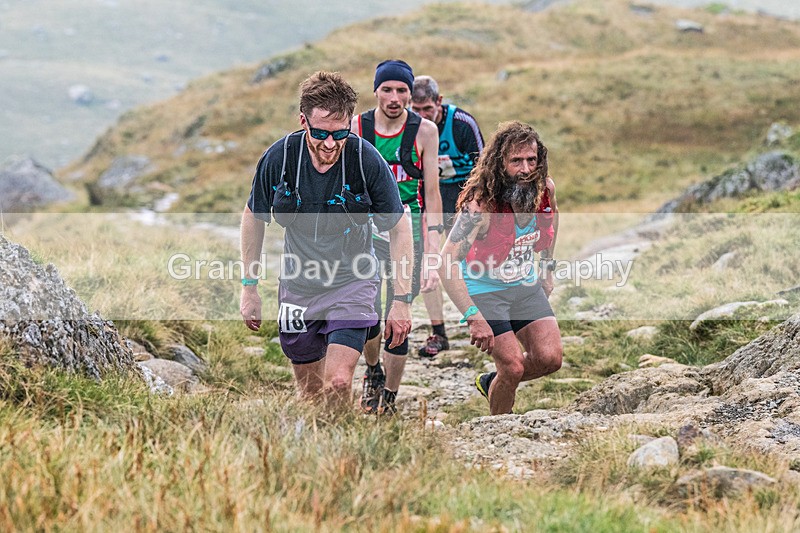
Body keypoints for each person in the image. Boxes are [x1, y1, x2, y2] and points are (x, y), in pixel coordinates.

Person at [239, 71, 413, 407]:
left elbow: (399, 226)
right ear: (303, 121)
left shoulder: (365, 160)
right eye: (320, 133)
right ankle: (325, 448)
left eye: (340, 133)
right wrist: (250, 287)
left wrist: (401, 299)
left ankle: (347, 451)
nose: (330, 144)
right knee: (311, 395)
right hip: (299, 286)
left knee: (337, 382)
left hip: (353, 281)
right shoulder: (281, 157)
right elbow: (253, 217)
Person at [438, 121, 562, 415]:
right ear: (500, 163)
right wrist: (472, 315)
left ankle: (493, 381)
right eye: (516, 161)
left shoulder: (544, 189)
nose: (525, 169)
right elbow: (446, 261)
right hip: (484, 292)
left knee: (550, 359)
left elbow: (552, 218)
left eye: (531, 160)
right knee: (514, 366)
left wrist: (546, 267)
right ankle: (497, 433)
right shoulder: (480, 206)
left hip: (524, 287)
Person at [351, 59, 443, 415]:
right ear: (375, 91)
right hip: (367, 234)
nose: (394, 97)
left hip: (412, 233)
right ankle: (372, 369)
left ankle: (389, 397)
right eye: (387, 89)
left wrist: (433, 247)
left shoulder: (425, 131)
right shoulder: (357, 126)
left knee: (398, 313)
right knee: (369, 313)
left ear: (409, 92)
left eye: (401, 90)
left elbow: (432, 194)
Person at [410, 75, 485, 358]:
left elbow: (484, 167)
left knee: (469, 261)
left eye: (426, 109)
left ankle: (483, 319)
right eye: (414, 110)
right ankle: (438, 332)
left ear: (439, 102)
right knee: (428, 261)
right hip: (429, 200)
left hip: (463, 199)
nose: (421, 116)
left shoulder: (462, 124)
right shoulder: (410, 128)